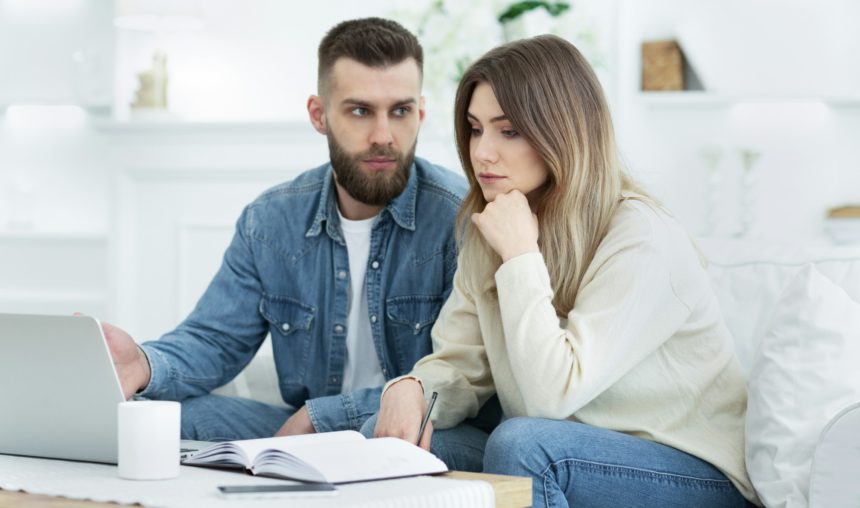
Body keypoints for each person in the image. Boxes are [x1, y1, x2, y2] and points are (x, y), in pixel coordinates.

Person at [371, 35, 759, 507]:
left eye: (508, 131)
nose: (482, 153)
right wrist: (411, 388)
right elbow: (460, 365)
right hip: (572, 450)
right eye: (475, 129)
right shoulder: (494, 225)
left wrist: (520, 258)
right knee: (422, 449)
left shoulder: (641, 237)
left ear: (563, 131)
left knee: (522, 445)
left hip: (693, 472)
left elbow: (549, 398)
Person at [101, 17, 470, 443]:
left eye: (401, 111)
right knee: (151, 417)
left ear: (421, 113)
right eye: (360, 111)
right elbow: (216, 340)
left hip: (411, 427)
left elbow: (456, 375)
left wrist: (324, 415)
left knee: (381, 434)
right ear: (319, 115)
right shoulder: (271, 220)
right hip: (307, 425)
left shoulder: (458, 218)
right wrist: (143, 365)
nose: (383, 135)